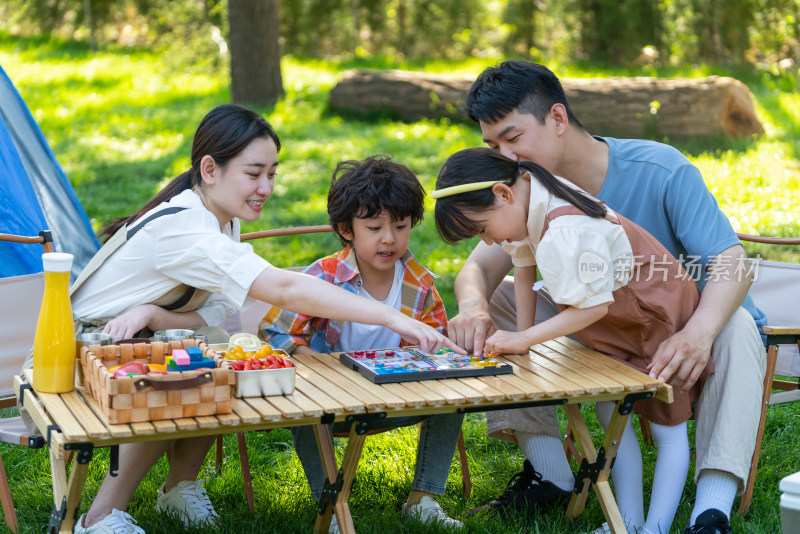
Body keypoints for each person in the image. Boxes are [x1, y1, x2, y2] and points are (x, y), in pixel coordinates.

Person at [65, 105, 460, 534]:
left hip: (135, 340)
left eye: (272, 173)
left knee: (217, 354)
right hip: (82, 355)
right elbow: (283, 288)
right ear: (210, 169)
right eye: (254, 174)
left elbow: (222, 308)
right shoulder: (186, 227)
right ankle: (98, 518)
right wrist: (390, 316)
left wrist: (155, 313)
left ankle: (179, 487)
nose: (266, 187)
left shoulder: (219, 220)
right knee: (188, 376)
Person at [449, 61, 766, 534]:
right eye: (493, 146)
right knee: (498, 300)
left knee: (736, 321)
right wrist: (473, 307)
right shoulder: (524, 192)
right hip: (604, 327)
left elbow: (732, 264)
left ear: (557, 119)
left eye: (513, 139)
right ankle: (550, 473)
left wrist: (697, 334)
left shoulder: (659, 169)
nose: (505, 156)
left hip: (681, 318)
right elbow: (479, 267)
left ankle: (711, 509)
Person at [433, 147, 706, 534]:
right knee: (611, 415)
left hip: (654, 318)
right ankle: (624, 522)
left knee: (667, 426)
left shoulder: (566, 228)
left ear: (502, 193)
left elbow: (591, 309)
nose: (488, 242)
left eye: (480, 229)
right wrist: (521, 340)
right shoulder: (529, 197)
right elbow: (524, 268)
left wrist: (525, 335)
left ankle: (655, 528)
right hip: (618, 320)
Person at [260, 155, 464, 530]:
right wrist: (318, 366)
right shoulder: (324, 276)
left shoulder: (419, 283)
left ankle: (423, 498)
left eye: (401, 226)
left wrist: (432, 354)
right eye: (374, 227)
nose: (389, 239)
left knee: (450, 400)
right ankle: (331, 506)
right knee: (305, 415)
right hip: (332, 402)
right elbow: (275, 332)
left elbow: (437, 342)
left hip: (396, 397)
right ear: (346, 229)